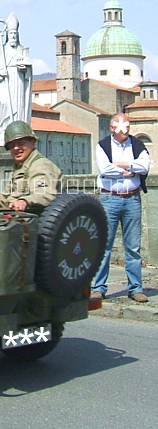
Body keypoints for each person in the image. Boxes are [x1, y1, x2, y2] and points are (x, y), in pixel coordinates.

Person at [91, 113, 150, 303]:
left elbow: (145, 165)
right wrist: (130, 170)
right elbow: (105, 169)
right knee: (104, 245)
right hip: (110, 199)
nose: (126, 130)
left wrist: (123, 165)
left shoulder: (137, 145)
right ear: (112, 128)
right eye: (122, 126)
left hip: (132, 198)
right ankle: (98, 288)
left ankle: (135, 288)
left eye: (128, 126)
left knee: (133, 247)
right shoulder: (103, 146)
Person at [0, 13, 33, 147]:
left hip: (19, 82)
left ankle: (19, 130)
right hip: (6, 83)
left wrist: (25, 70)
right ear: (7, 35)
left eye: (15, 35)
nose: (13, 37)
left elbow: (29, 70)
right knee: (4, 104)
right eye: (11, 35)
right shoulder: (2, 50)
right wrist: (0, 73)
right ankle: (5, 130)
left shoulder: (22, 49)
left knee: (19, 106)